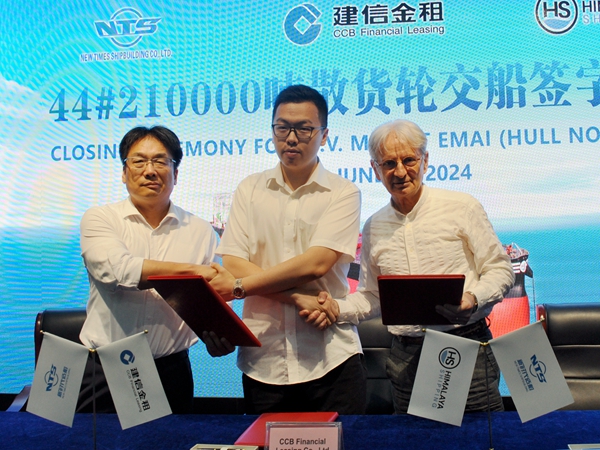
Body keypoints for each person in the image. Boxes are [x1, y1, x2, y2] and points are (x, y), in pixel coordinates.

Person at [209, 85, 374, 414]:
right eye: (282, 128)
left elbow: (315, 264)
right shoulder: (249, 189)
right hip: (264, 360)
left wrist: (240, 286)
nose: (292, 138)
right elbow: (234, 262)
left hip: (331, 359)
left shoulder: (343, 192)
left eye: (304, 129)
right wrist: (299, 297)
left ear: (324, 135)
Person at [348, 119, 515, 413]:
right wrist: (334, 309)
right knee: (414, 437)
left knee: (479, 436)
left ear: (425, 160)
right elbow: (372, 295)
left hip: (465, 347)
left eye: (409, 160)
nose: (400, 172)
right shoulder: (374, 226)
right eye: (389, 163)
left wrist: (473, 298)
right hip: (405, 357)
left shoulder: (462, 207)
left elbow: (500, 269)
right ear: (375, 169)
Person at [78, 125, 230, 414]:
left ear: (176, 173)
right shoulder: (100, 218)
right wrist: (196, 272)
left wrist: (219, 334)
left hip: (171, 372)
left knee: (169, 438)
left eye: (161, 161)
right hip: (104, 369)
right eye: (139, 161)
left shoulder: (200, 230)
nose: (150, 171)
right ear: (124, 173)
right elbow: (118, 271)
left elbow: (210, 298)